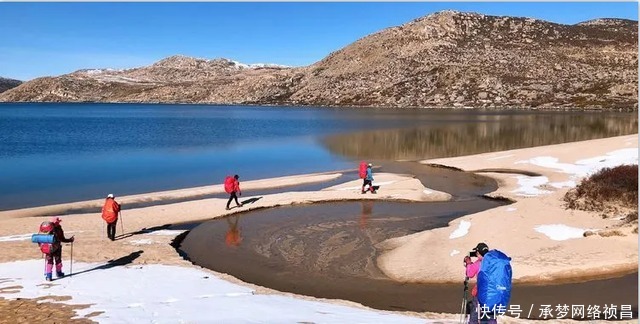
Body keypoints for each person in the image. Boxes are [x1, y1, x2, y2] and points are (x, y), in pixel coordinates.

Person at [464, 242, 491, 324]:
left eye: (476, 252)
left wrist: (468, 263)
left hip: (480, 293)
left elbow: (470, 274)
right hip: (492, 293)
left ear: (479, 253)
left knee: (475, 315)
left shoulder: (478, 263)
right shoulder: (492, 262)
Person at [44, 217, 74, 281]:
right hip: (57, 247)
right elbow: (62, 239)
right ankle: (59, 273)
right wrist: (70, 240)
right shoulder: (59, 229)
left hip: (48, 247)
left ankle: (49, 276)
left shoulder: (47, 228)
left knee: (49, 261)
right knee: (58, 260)